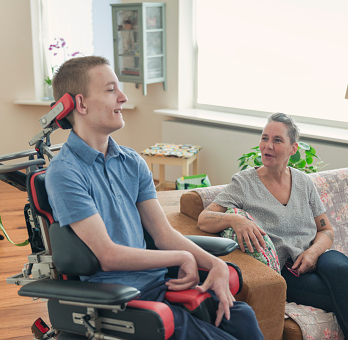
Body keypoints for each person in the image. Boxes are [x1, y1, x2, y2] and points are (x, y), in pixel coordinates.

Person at [44, 56, 263, 340]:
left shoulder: (131, 161)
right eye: (111, 90)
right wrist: (183, 257)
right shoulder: (65, 172)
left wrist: (216, 264)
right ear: (81, 104)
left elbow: (162, 234)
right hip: (121, 298)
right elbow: (107, 256)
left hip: (161, 284)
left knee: (242, 318)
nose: (122, 97)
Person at [197, 113, 348, 340]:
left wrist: (313, 252)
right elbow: (204, 219)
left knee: (342, 269)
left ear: (293, 149)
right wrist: (235, 219)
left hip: (317, 256)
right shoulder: (244, 183)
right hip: (289, 271)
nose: (268, 146)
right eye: (265, 138)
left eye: (277, 140)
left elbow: (326, 230)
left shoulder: (304, 182)